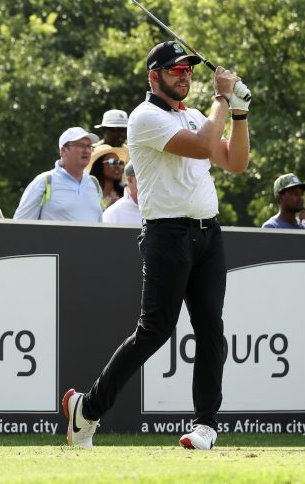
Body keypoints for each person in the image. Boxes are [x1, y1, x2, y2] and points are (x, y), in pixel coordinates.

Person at [62, 40, 250, 452]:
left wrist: (238, 112)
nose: (183, 77)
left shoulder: (200, 115)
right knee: (154, 331)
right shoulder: (144, 117)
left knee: (211, 330)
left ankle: (205, 424)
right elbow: (202, 146)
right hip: (167, 235)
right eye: (174, 71)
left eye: (187, 71)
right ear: (154, 76)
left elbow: (235, 163)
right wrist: (222, 96)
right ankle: (88, 409)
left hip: (208, 235)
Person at [13, 127, 103, 222]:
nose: (87, 151)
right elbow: (20, 225)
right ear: (63, 150)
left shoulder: (94, 184)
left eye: (89, 146)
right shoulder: (43, 182)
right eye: (81, 145)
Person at [87, 144, 129, 209]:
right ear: (99, 166)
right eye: (112, 162)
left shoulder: (126, 192)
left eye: (120, 162)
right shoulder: (87, 190)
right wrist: (108, 201)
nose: (118, 166)